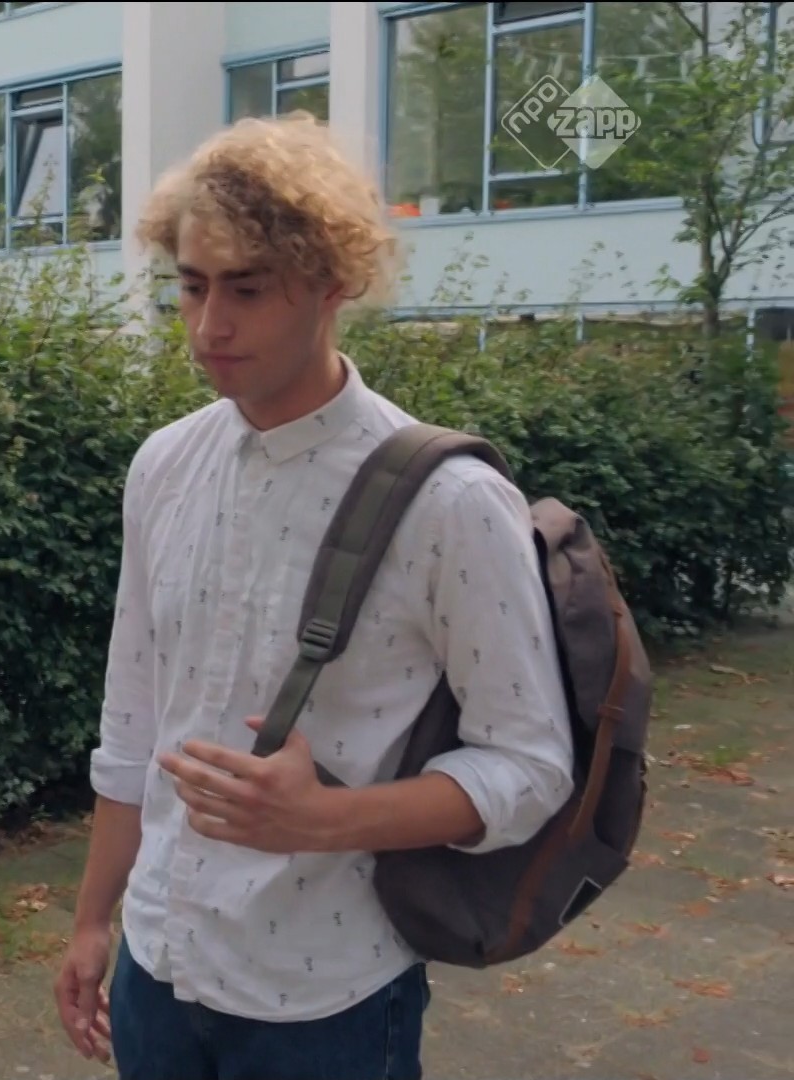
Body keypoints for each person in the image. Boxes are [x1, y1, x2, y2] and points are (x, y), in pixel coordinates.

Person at [53, 114, 576, 1080]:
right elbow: (133, 720)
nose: (209, 326)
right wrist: (94, 919)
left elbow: (532, 765)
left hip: (327, 998)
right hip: (157, 966)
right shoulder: (162, 465)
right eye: (192, 286)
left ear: (333, 283)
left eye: (247, 289)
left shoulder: (451, 501)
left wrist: (323, 822)